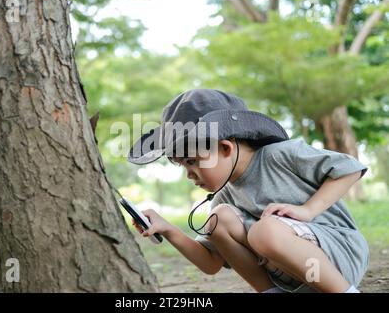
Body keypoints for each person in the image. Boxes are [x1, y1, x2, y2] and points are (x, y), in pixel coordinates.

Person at [127, 89, 368, 293]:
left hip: (338, 258)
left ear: (225, 148)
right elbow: (211, 263)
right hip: (296, 277)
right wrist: (168, 229)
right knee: (218, 219)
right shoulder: (224, 197)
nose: (189, 174)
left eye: (192, 161)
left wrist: (307, 210)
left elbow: (349, 169)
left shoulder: (281, 155)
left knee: (264, 231)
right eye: (182, 165)